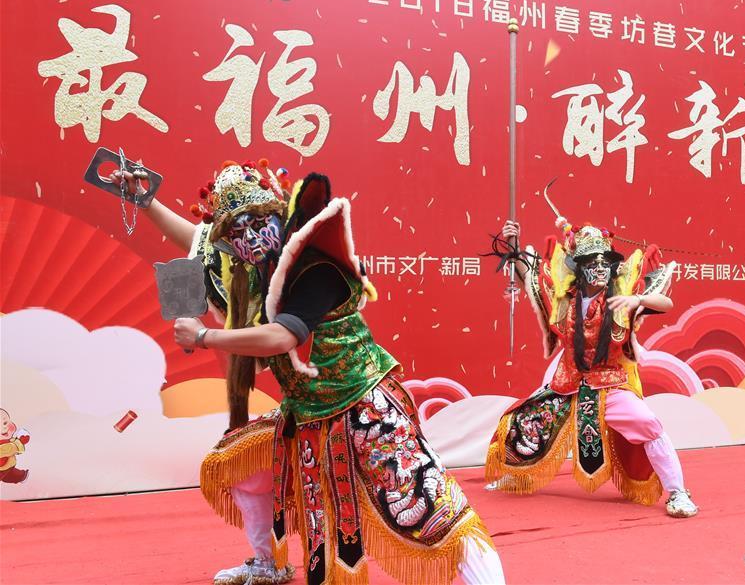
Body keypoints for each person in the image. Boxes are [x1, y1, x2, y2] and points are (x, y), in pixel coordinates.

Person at [112, 161, 505, 585]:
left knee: (433, 517)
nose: (248, 236)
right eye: (237, 230)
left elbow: (283, 337)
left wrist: (206, 336)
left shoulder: (317, 265)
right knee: (239, 465)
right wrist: (143, 200)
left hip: (364, 410)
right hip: (307, 416)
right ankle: (269, 563)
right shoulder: (257, 270)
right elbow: (196, 239)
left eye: (258, 221)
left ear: (279, 216)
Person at [485, 215, 698, 519]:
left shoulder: (622, 297)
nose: (598, 268)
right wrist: (515, 246)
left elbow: (665, 303)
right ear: (580, 269)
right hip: (568, 382)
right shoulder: (565, 300)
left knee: (648, 423)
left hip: (610, 385)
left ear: (612, 267)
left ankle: (677, 491)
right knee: (524, 420)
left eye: (604, 264)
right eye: (590, 263)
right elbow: (533, 280)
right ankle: (518, 476)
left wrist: (636, 298)